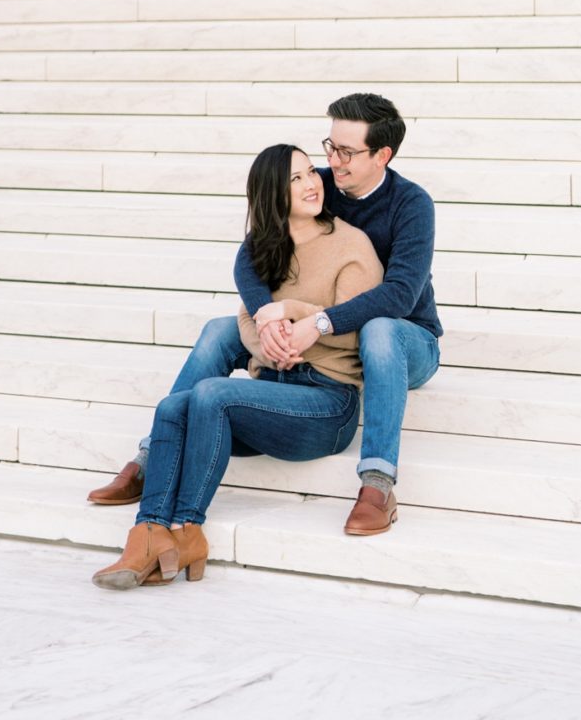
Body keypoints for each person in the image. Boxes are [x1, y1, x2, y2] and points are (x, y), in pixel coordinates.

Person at [88, 92, 441, 537]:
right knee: (220, 330)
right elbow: (251, 252)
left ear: (382, 155)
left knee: (380, 331)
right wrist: (267, 316)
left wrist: (318, 323)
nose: (332, 160)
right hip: (318, 327)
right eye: (329, 147)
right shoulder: (320, 185)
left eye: (347, 152)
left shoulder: (411, 204)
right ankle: (149, 457)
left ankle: (377, 484)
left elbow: (400, 295)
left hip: (407, 339)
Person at [91, 143, 382, 589]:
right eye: (295, 179)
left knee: (211, 393)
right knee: (176, 406)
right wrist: (269, 344)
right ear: (271, 193)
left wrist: (295, 315)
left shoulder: (351, 245)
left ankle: (188, 528)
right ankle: (148, 532)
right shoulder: (265, 248)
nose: (311, 184)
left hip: (327, 404)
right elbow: (249, 316)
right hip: (273, 392)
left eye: (310, 172)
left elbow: (357, 329)